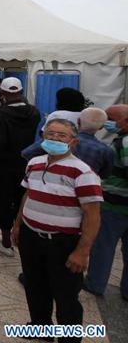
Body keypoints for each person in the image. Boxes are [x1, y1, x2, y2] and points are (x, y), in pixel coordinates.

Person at [13, 119, 102, 341]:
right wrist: (18, 225)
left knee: (66, 297)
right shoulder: (34, 162)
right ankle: (40, 328)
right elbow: (28, 194)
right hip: (32, 236)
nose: (54, 139)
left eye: (61, 135)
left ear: (73, 142)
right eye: (49, 134)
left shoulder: (83, 172)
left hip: (63, 243)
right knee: (35, 287)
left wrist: (83, 251)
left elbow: (92, 214)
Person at [0, 77, 40, 257]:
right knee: (21, 201)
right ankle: (22, 239)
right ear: (21, 91)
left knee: (4, 202)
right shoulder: (34, 112)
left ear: (3, 92)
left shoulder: (1, 115)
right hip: (26, 164)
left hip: (5, 166)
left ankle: (6, 242)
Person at [84, 104, 128, 300]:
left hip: (115, 204)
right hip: (119, 203)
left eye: (111, 118)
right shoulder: (119, 140)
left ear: (125, 121)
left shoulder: (125, 143)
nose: (107, 123)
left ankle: (95, 283)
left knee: (103, 244)